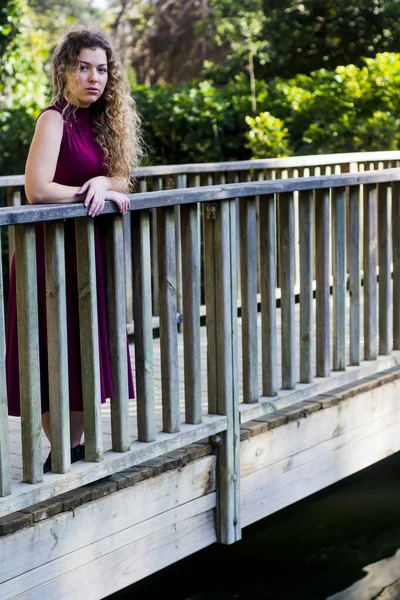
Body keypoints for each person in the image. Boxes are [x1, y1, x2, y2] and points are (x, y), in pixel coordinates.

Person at [6, 27, 142, 473]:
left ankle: (77, 448)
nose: (93, 78)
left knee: (86, 347)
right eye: (83, 67)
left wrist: (103, 183)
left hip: (89, 257)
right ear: (65, 71)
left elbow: (120, 179)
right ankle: (60, 451)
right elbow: (37, 190)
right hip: (49, 258)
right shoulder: (53, 119)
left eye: (101, 69)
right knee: (54, 347)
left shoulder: (107, 122)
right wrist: (89, 194)